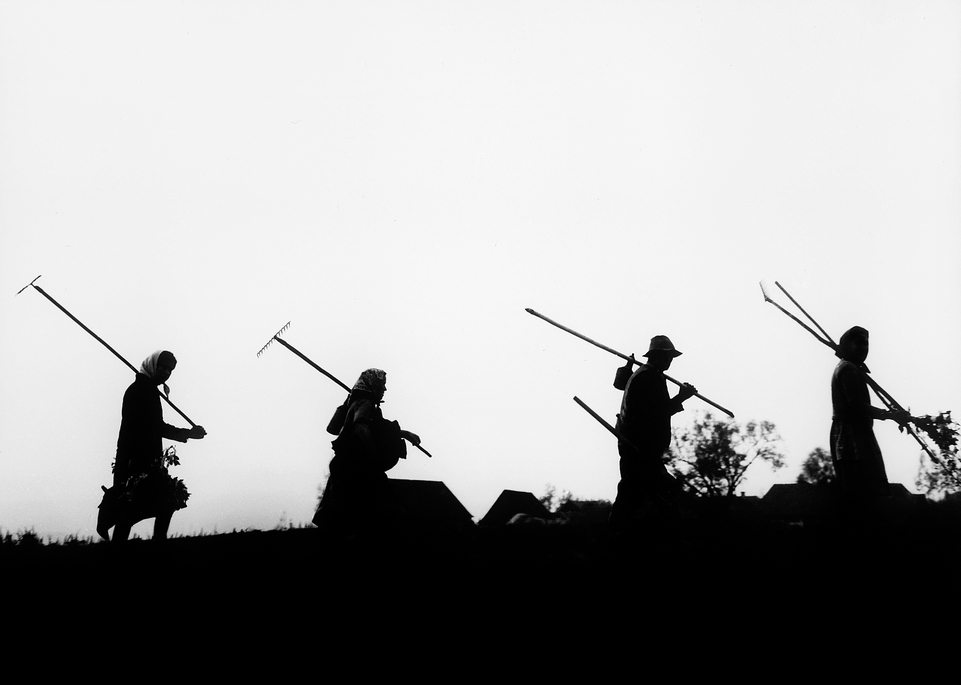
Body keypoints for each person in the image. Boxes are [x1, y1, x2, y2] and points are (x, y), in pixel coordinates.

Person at [97, 350, 206, 542]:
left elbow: (155, 427)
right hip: (134, 461)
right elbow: (155, 427)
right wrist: (188, 433)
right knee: (138, 507)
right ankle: (126, 550)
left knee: (156, 504)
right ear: (153, 366)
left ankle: (153, 546)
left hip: (147, 460)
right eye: (163, 367)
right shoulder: (140, 391)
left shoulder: (148, 390)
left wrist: (188, 433)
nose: (166, 373)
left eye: (170, 370)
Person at [312, 368, 420, 534]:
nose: (384, 389)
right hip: (358, 467)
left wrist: (404, 434)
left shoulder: (357, 403)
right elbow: (360, 425)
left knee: (346, 514)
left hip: (346, 466)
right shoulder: (366, 403)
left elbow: (334, 428)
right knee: (383, 513)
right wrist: (372, 455)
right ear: (373, 385)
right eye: (382, 385)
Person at [609, 336, 697, 528]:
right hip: (639, 449)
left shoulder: (650, 375)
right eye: (667, 356)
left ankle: (612, 533)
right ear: (656, 355)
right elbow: (657, 413)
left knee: (641, 495)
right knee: (650, 494)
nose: (670, 360)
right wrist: (681, 397)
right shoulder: (647, 377)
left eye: (671, 357)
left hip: (641, 448)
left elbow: (655, 409)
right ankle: (611, 534)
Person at [830, 326, 908, 504]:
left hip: (853, 436)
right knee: (863, 496)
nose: (864, 348)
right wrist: (890, 415)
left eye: (866, 344)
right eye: (859, 343)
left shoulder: (851, 367)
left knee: (862, 495)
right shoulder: (848, 369)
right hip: (851, 440)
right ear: (847, 345)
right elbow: (856, 406)